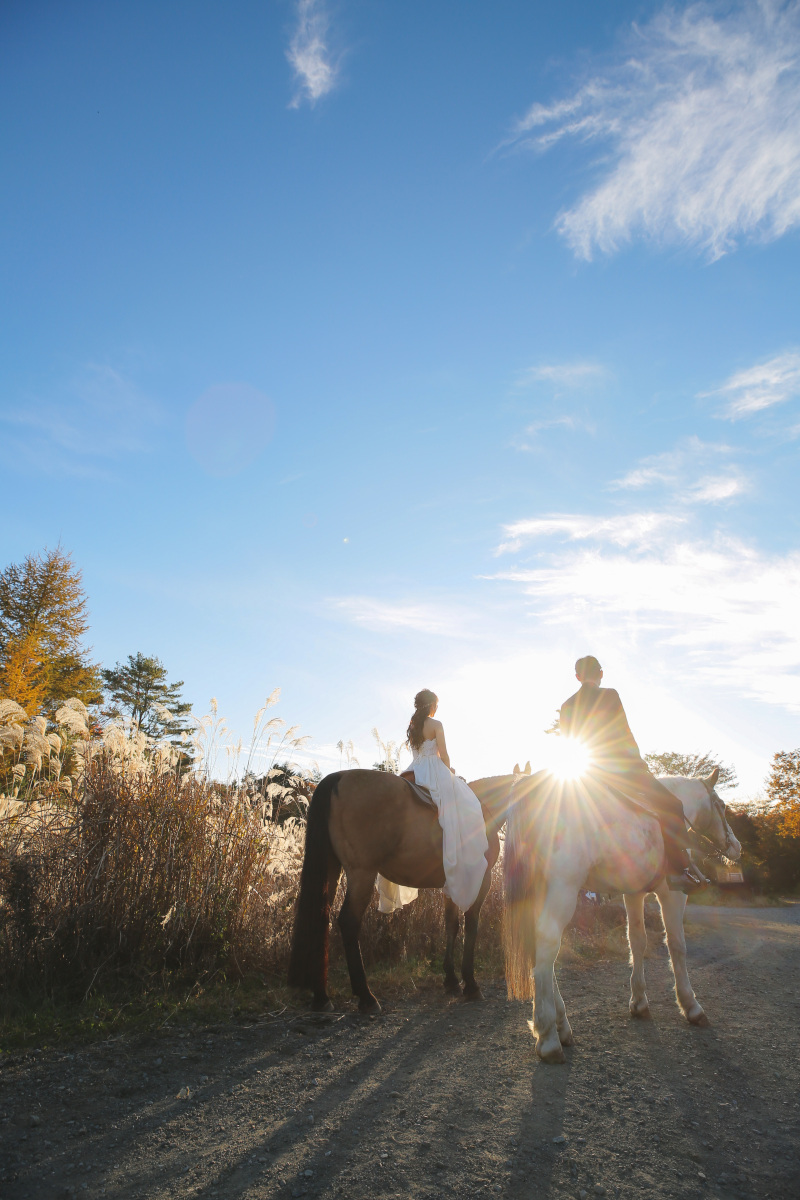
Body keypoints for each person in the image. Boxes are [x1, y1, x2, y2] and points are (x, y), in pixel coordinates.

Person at [559, 656, 707, 893]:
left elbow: (568, 743)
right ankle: (678, 871)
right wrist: (639, 763)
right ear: (601, 674)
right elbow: (623, 731)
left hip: (585, 773)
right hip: (620, 771)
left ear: (577, 677)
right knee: (673, 804)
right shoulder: (609, 695)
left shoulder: (567, 705)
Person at [405, 689, 490, 911]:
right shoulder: (436, 724)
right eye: (436, 704)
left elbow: (416, 754)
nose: (437, 708)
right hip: (434, 771)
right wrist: (449, 771)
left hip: (415, 770)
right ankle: (462, 856)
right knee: (469, 803)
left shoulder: (412, 725)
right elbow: (444, 755)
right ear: (432, 705)